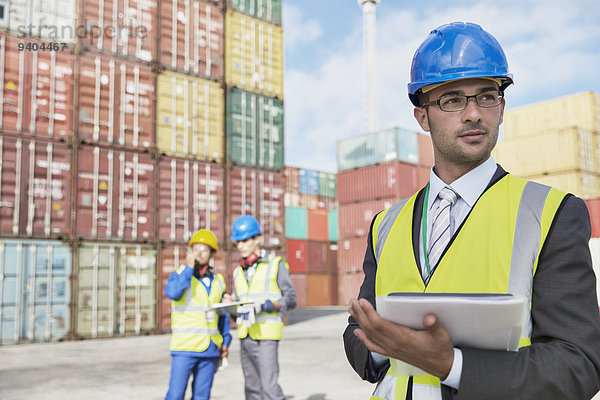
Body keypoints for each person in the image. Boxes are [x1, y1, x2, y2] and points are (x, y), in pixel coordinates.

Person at [343, 21, 600, 400]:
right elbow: (357, 333)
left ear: (501, 107)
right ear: (423, 117)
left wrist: (451, 365)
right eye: (452, 99)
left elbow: (578, 364)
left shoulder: (552, 214)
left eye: (486, 96)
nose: (474, 113)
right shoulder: (386, 224)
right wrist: (384, 344)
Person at [227, 215, 296, 400]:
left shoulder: (275, 264)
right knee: (252, 390)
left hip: (266, 336)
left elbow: (291, 299)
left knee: (269, 389)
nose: (240, 246)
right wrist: (231, 306)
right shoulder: (237, 272)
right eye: (237, 242)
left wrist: (268, 306)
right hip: (246, 335)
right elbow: (240, 305)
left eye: (244, 241)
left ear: (257, 239)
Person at [164, 229, 231, 400]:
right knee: (175, 395)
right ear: (190, 252)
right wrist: (188, 268)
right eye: (196, 248)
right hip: (184, 349)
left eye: (204, 249)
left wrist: (225, 340)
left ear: (212, 254)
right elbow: (172, 292)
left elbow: (221, 315)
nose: (199, 253)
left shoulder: (218, 281)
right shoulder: (179, 276)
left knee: (202, 396)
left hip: (209, 350)